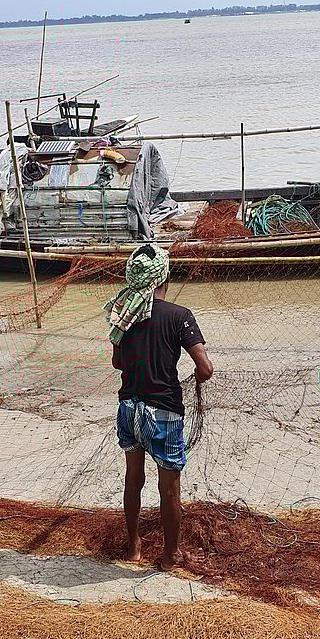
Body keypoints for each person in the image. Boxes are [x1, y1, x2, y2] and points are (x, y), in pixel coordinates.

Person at [105, 244, 214, 570]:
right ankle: (170, 556)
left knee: (133, 479)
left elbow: (116, 362)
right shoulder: (179, 316)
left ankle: (134, 547)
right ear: (164, 277)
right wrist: (196, 374)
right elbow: (205, 368)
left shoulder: (123, 315)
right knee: (169, 490)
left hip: (128, 408)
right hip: (162, 412)